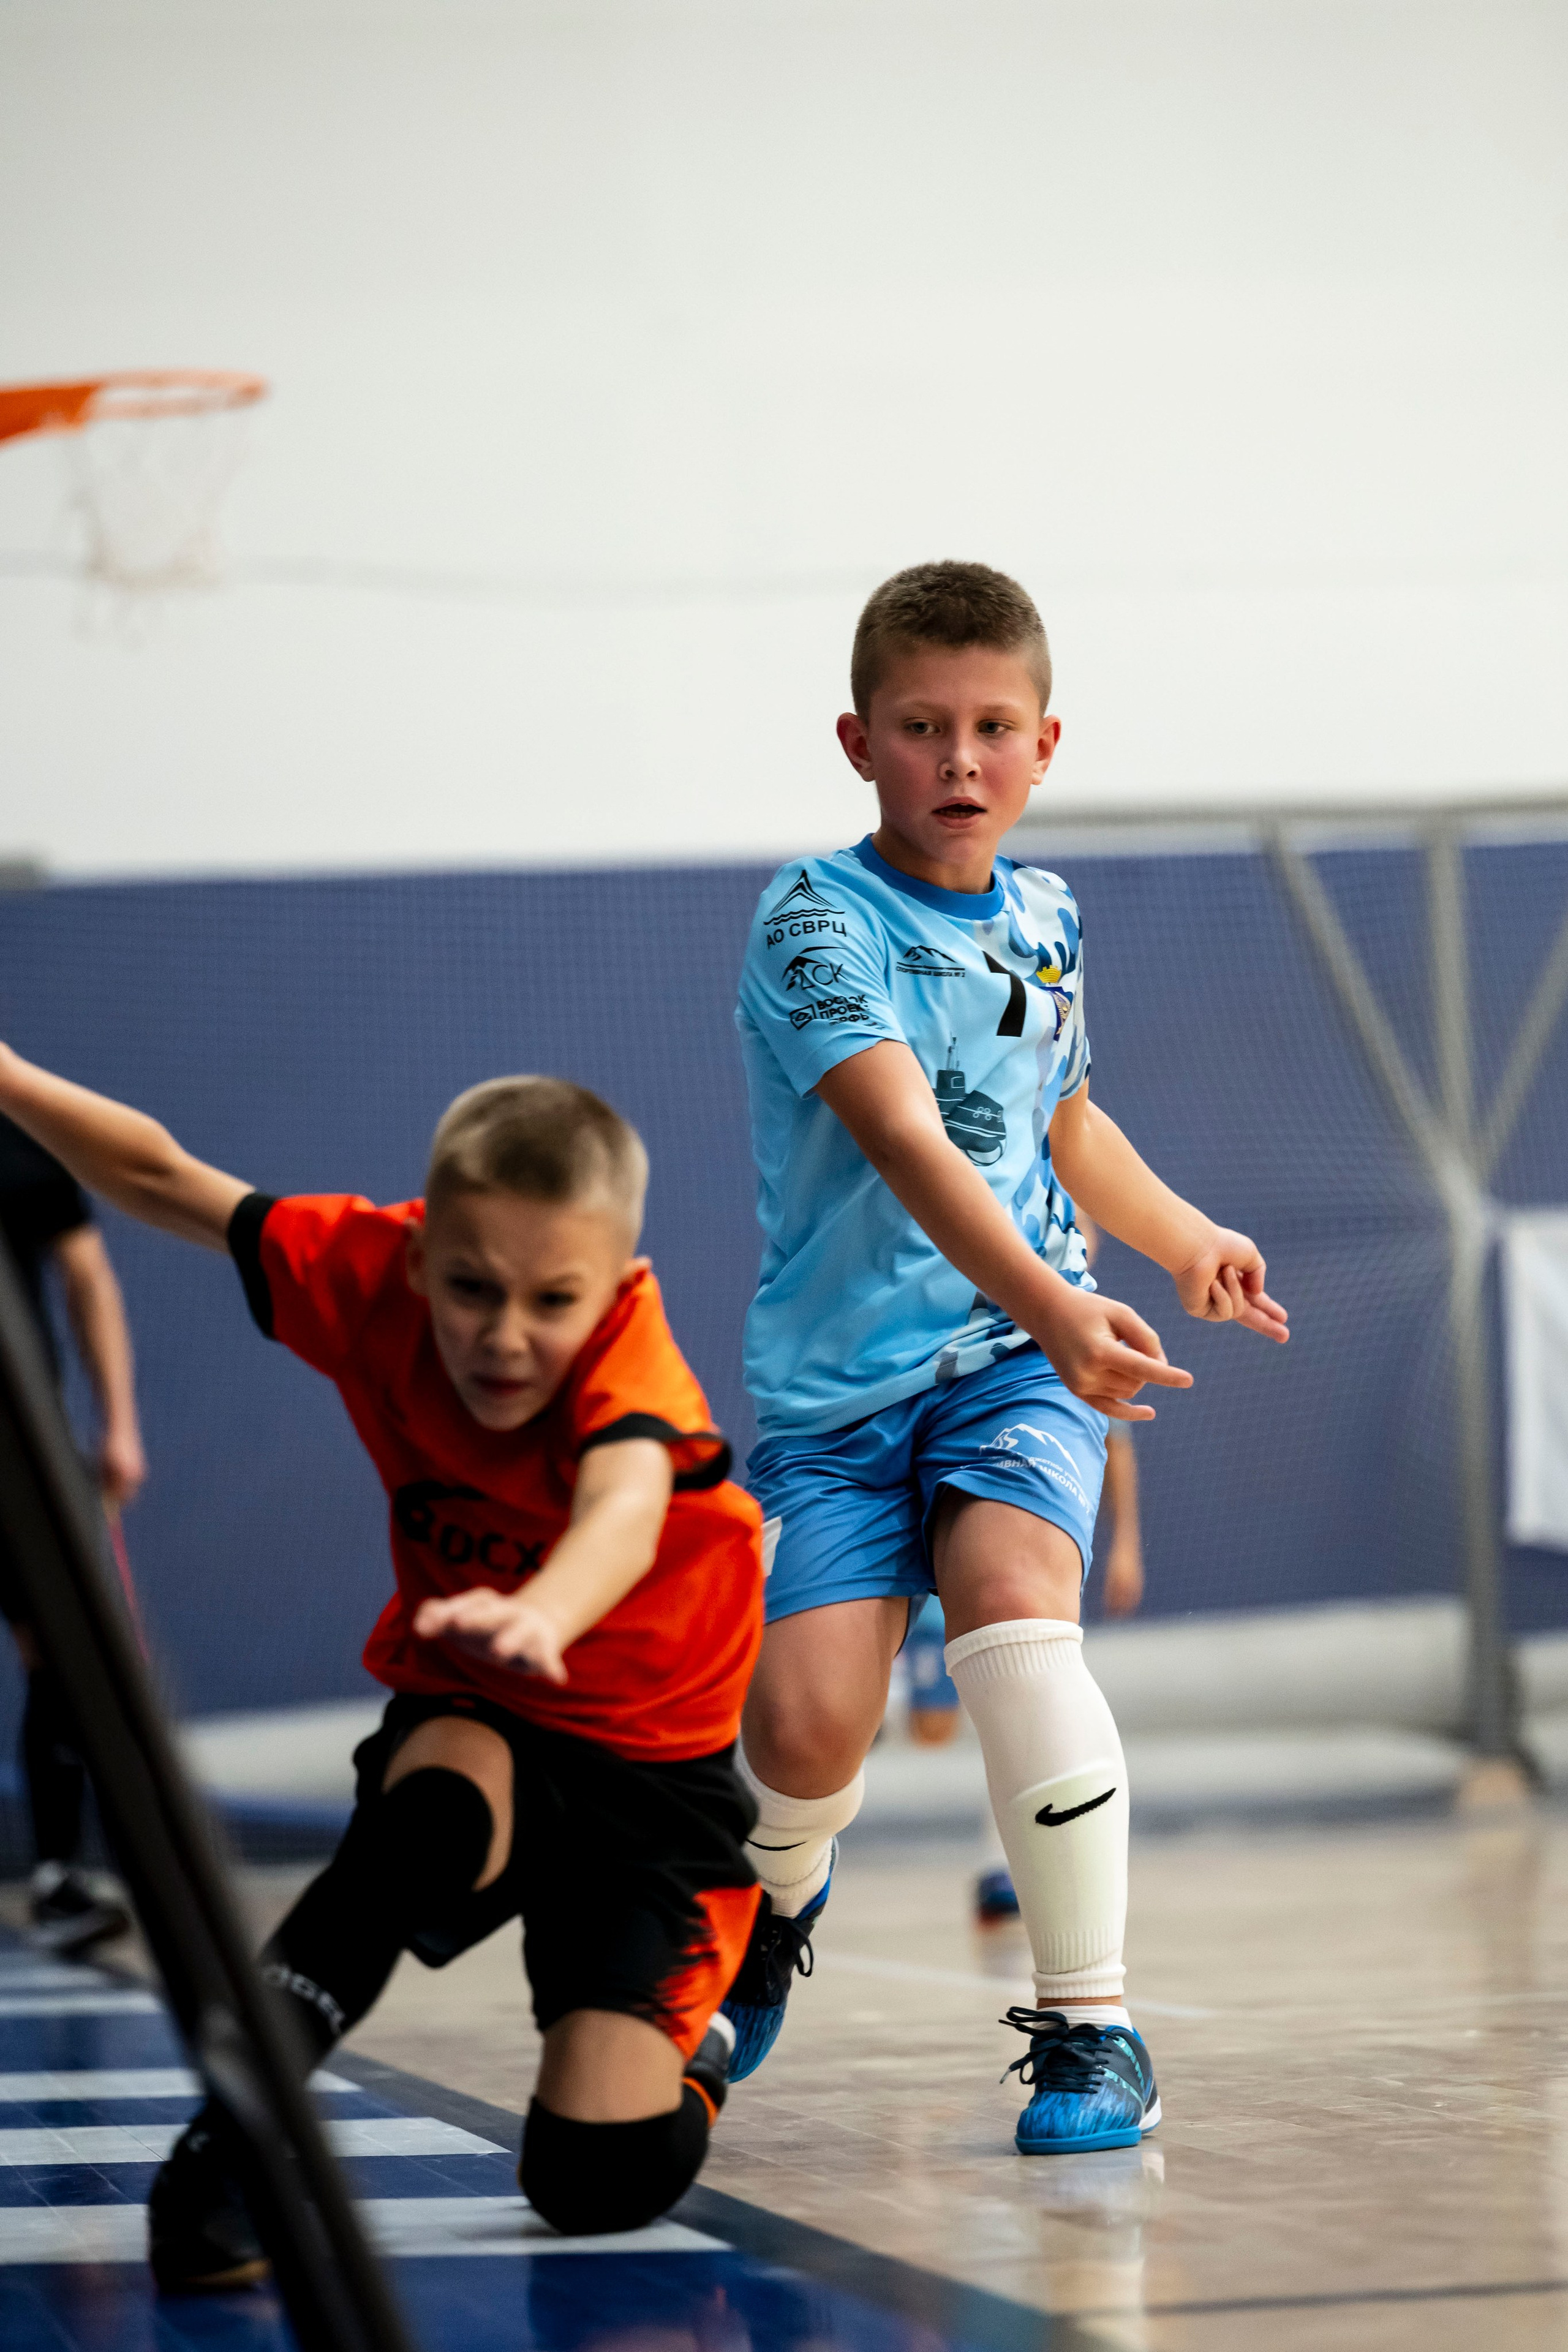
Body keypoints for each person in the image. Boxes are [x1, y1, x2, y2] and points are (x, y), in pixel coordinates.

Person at [0, 1050, 764, 2283]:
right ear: (417, 1258)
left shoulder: (637, 1381)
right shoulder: (363, 1274)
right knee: (426, 1818)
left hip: (651, 1776)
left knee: (589, 2184)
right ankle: (235, 2144)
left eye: (550, 1303)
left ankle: (709, 2028)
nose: (504, 1339)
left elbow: (621, 1508)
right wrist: (9, 1078)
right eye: (470, 1290)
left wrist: (551, 1612)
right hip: (483, 1697)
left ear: (614, 1285)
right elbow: (157, 1175)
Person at [724, 560, 1288, 2155]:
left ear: (1047, 745)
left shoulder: (1050, 916)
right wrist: (1056, 1294)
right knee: (805, 1731)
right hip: (845, 1394)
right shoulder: (813, 917)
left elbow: (1066, 1121)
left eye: (991, 727)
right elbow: (904, 1136)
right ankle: (773, 1914)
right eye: (922, 727)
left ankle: (1091, 2031)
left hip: (1011, 1357)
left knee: (1022, 1624)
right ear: (859, 742)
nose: (959, 760)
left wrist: (1178, 1244)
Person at [0, 1109, 146, 1953]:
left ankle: (58, 1879)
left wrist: (119, 1426)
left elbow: (88, 1276)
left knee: (55, 1645)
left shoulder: (22, 1142)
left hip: (20, 1448)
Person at [974, 1211, 1144, 1920]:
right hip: (945, 1506)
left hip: (1030, 1521)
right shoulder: (974, 1309)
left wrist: (1128, 1543)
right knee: (914, 1721)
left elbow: (1119, 1448)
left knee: (1023, 1690)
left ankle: (1011, 1875)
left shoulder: (1086, 1326)